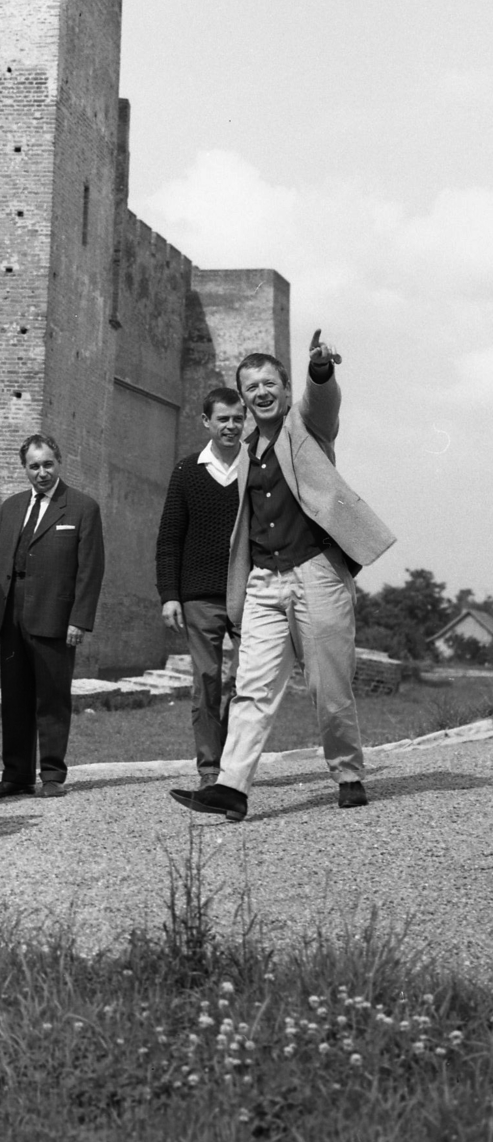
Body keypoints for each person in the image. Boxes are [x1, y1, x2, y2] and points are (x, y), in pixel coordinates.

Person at [171, 332, 396, 821]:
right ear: (243, 397)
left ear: (286, 387)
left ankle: (348, 774)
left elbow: (324, 401)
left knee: (328, 687)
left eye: (269, 383)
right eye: (251, 387)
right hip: (264, 582)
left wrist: (320, 371)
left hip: (315, 573)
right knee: (252, 687)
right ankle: (231, 787)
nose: (261, 393)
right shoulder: (247, 451)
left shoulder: (306, 427)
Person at [0, 434, 104, 800]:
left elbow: (90, 569)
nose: (42, 472)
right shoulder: (11, 507)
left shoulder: (81, 508)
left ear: (58, 462)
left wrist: (79, 620)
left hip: (55, 613)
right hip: (11, 613)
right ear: (25, 469)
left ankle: (52, 773)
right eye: (34, 466)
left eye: (48, 464)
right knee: (14, 698)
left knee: (51, 697)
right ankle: (16, 775)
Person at [155, 387, 246, 787]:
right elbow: (169, 538)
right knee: (207, 680)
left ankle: (236, 760)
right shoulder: (186, 471)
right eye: (223, 419)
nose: (231, 426)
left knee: (248, 683)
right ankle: (210, 767)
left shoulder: (257, 468)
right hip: (199, 596)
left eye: (237, 418)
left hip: (250, 593)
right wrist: (169, 595)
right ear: (207, 422)